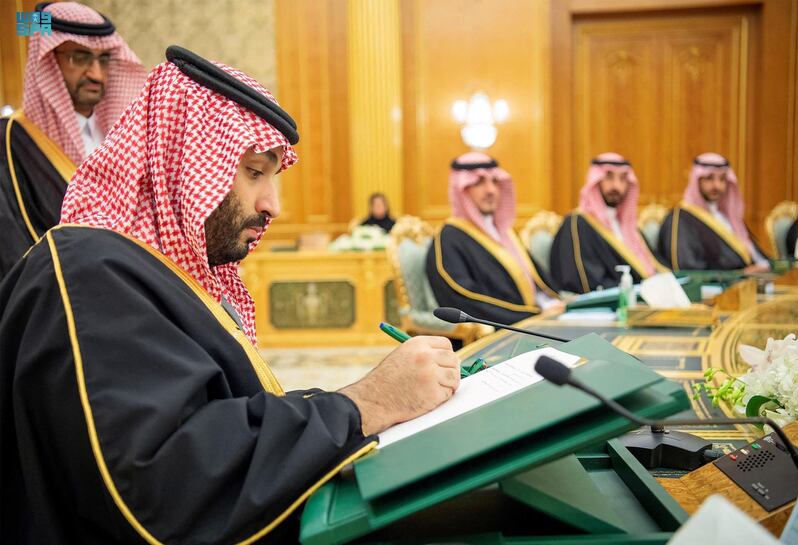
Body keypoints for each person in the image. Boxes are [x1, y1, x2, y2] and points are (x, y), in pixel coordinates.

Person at [0, 46, 460, 544]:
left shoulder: (147, 272)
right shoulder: (91, 271)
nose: (273, 206)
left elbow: (222, 417)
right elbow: (162, 486)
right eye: (254, 172)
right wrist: (361, 404)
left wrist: (346, 403)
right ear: (181, 162)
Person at [0, 1, 145, 278]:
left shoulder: (123, 140)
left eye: (103, 59)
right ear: (48, 60)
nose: (96, 74)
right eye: (79, 58)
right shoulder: (9, 140)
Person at [426, 152, 560, 326]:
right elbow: (463, 300)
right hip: (499, 335)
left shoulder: (505, 232)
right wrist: (532, 314)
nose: (491, 190)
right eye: (479, 183)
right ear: (462, 191)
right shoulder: (448, 239)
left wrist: (553, 304)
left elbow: (537, 282)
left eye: (495, 181)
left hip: (537, 321)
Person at [550, 153, 663, 293]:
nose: (616, 186)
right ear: (596, 181)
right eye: (609, 177)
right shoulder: (577, 224)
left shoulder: (627, 225)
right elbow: (582, 281)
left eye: (623, 179)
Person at [657, 153, 770, 272]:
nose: (717, 186)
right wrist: (741, 275)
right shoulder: (680, 219)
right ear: (697, 180)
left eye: (722, 179)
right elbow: (687, 269)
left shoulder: (728, 217)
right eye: (709, 178)